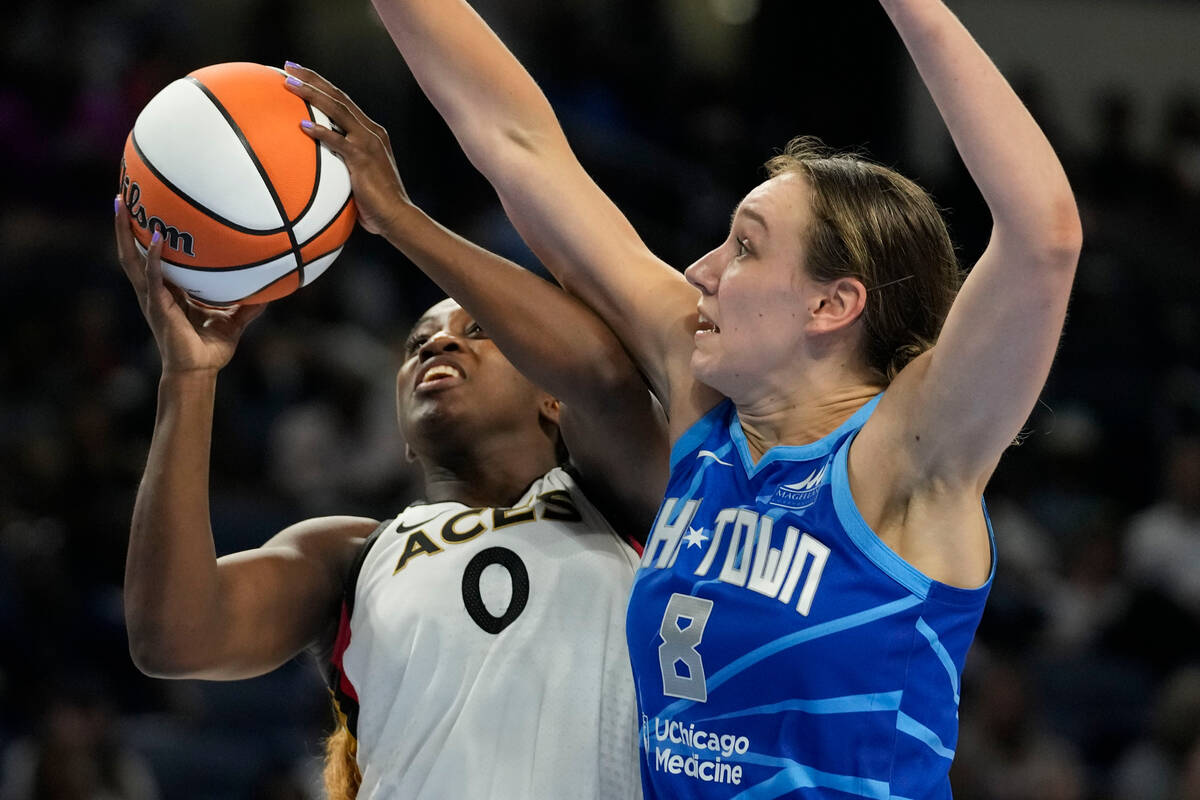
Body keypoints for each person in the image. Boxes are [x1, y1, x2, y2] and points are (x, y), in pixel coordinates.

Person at [323, 0, 1084, 795]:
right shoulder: (706, 411)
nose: (700, 271)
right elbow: (522, 147)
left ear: (833, 305)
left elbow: (1045, 236)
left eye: (745, 247)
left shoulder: (908, 456)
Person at [116, 84, 669, 797]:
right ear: (404, 437)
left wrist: (400, 221)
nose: (440, 341)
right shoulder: (349, 552)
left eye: (478, 331)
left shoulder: (627, 505)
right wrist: (187, 376)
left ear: (551, 391)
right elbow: (173, 638)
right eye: (418, 342)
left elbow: (602, 372)